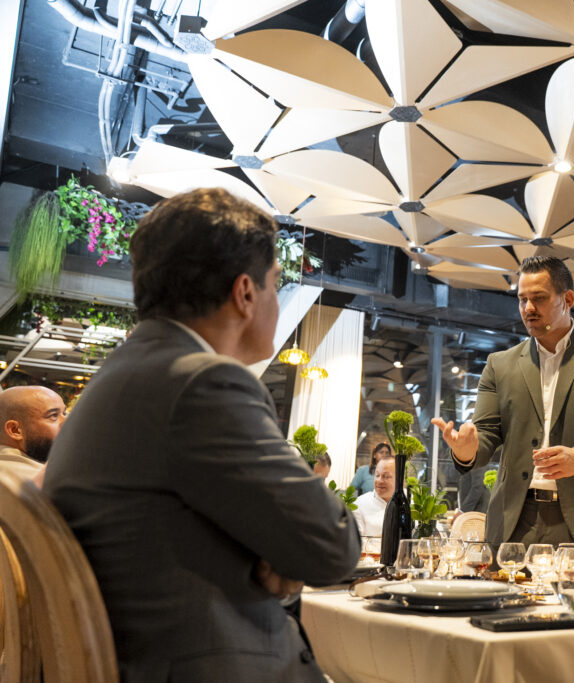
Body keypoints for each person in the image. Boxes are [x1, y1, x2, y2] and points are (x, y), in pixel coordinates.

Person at [43, 188, 361, 683]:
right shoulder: (202, 384)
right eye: (276, 283)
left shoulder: (126, 373)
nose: (276, 301)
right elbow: (333, 547)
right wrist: (283, 551)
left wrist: (277, 551)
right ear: (245, 293)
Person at [431, 255, 574, 547]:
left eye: (539, 298)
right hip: (514, 522)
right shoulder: (500, 364)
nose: (529, 308)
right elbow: (486, 436)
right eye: (522, 300)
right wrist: (466, 451)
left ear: (567, 299)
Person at [0, 385, 66, 483]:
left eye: (64, 413)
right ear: (15, 430)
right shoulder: (39, 482)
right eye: (53, 415)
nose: (67, 421)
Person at [351, 455, 396, 538]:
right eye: (377, 475)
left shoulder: (409, 503)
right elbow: (355, 542)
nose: (379, 481)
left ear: (399, 478)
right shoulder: (358, 504)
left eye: (386, 476)